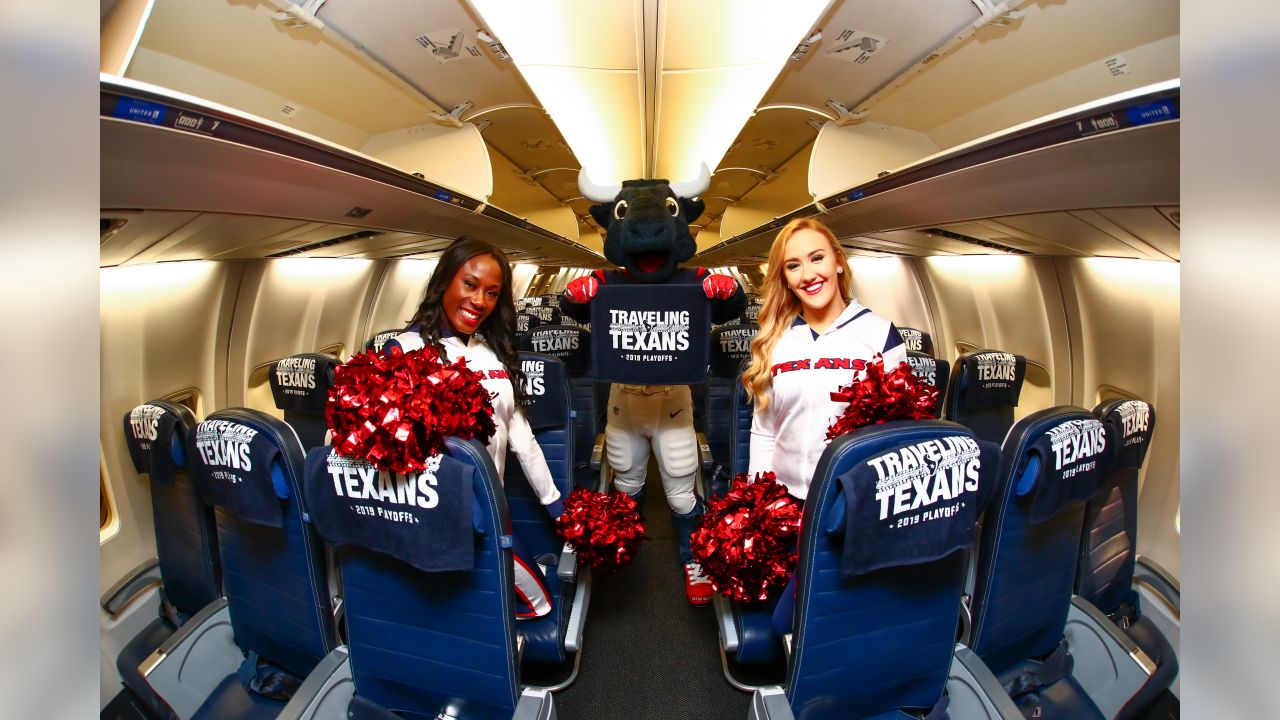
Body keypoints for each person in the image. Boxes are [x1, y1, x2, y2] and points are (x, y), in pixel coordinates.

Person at [385, 237, 561, 619]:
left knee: (538, 602)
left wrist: (555, 504)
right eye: (470, 284)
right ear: (444, 281)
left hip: (490, 509)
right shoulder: (403, 351)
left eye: (492, 293)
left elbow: (521, 437)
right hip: (429, 516)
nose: (480, 301)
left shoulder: (493, 353)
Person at [742, 217, 909, 500]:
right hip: (784, 503)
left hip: (853, 502)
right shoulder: (775, 339)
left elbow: (896, 436)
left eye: (817, 258)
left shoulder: (881, 334)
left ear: (838, 261)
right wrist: (756, 502)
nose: (807, 275)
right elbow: (764, 432)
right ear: (785, 278)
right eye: (793, 265)